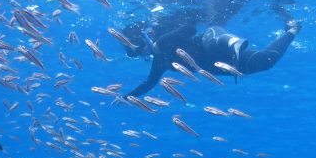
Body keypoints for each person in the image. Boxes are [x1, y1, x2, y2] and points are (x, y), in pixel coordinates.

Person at [120, 12, 300, 98]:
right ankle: (292, 30)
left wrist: (161, 41)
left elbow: (190, 29)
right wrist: (128, 97)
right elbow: (150, 82)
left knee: (215, 41)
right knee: (264, 61)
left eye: (140, 51)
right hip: (215, 65)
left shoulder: (162, 42)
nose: (144, 56)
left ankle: (234, 43)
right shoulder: (160, 61)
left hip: (209, 40)